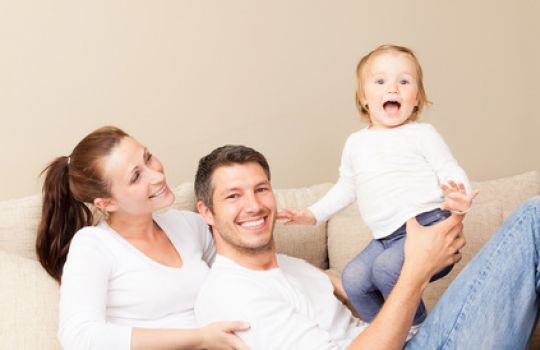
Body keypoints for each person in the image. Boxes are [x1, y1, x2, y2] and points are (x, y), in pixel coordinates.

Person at [194, 144, 539, 349]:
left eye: (261, 189)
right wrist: (416, 271)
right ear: (206, 211)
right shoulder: (232, 295)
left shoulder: (290, 265)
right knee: (533, 220)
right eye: (233, 196)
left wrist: (437, 240)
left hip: (415, 340)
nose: (254, 206)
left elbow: (365, 292)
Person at [278, 45, 479, 331]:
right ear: (363, 98)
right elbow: (347, 186)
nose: (393, 89)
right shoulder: (356, 143)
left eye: (404, 81)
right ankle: (383, 336)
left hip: (428, 226)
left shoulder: (422, 135)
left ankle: (418, 333)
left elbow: (448, 167)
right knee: (354, 279)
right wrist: (312, 214)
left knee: (386, 270)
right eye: (381, 81)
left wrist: (459, 195)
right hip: (385, 238)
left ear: (417, 97)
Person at [35, 126, 249, 350]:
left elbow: (240, 272)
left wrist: (254, 219)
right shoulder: (93, 245)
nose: (157, 176)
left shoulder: (186, 225)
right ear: (107, 203)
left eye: (147, 158)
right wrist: (200, 338)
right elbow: (79, 337)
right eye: (136, 177)